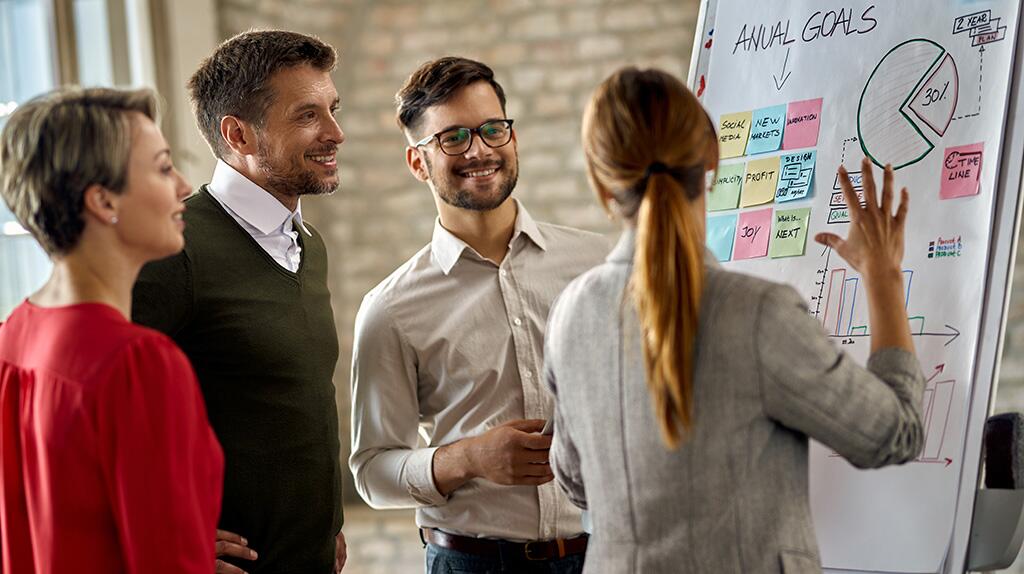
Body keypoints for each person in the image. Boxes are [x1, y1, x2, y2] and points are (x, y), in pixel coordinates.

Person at [544, 67, 925, 573]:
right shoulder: (758, 314)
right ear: (711, 158)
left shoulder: (569, 314)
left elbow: (575, 482)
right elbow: (894, 433)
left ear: (601, 183)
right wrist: (883, 276)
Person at [349, 56, 608, 573]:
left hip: (604, 554)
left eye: (492, 130)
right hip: (473, 563)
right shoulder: (390, 309)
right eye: (453, 138)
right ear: (417, 162)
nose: (479, 150)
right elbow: (373, 472)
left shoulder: (597, 265)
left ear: (513, 138)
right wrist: (468, 458)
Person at [132, 30, 346, 574]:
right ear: (238, 134)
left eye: (332, 109)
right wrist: (162, 534)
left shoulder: (309, 245)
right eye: (307, 115)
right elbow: (83, 413)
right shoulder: (174, 248)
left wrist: (323, 523)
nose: (335, 133)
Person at [0, 87, 222, 572]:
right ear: (103, 201)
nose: (184, 186)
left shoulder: (11, 337)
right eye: (163, 168)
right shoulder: (138, 365)